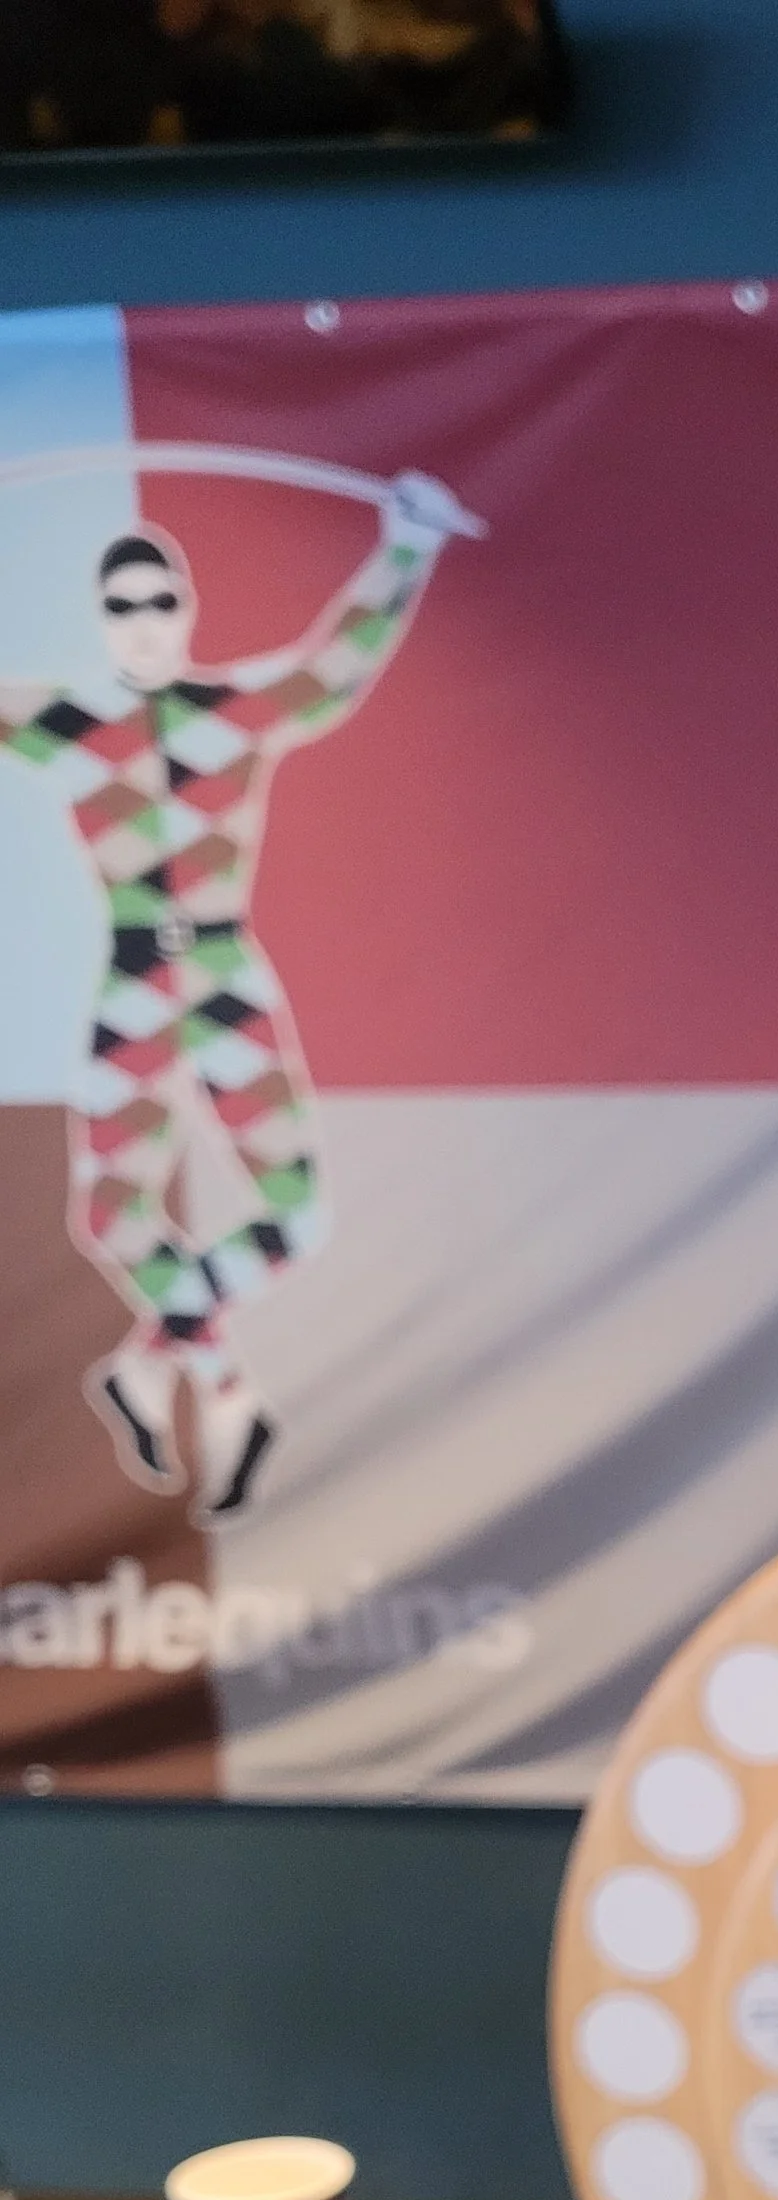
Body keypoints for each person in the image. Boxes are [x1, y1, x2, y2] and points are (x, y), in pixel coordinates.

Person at [0, 471, 469, 1521]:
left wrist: (408, 547)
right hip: (136, 977)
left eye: (159, 601)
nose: (142, 622)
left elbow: (331, 672)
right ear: (102, 617)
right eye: (123, 605)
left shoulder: (236, 710)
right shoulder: (71, 720)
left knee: (292, 1212)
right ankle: (220, 1389)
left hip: (219, 972)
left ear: (187, 609)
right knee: (113, 1214)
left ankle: (152, 1365)